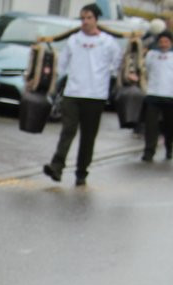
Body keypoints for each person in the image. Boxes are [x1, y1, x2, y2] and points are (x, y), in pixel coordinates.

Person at [42, 4, 125, 187]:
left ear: (96, 20)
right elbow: (62, 64)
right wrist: (53, 84)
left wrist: (107, 76)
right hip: (73, 92)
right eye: (82, 18)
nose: (85, 22)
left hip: (95, 95)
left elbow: (117, 63)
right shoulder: (74, 40)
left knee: (88, 136)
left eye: (89, 18)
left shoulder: (108, 42)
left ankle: (81, 172)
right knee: (67, 130)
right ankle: (57, 166)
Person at [141, 30, 173, 162]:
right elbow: (146, 69)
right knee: (151, 125)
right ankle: (149, 151)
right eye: (161, 42)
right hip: (153, 94)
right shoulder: (152, 55)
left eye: (166, 42)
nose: (163, 44)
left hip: (170, 96)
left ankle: (169, 146)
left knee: (169, 125)